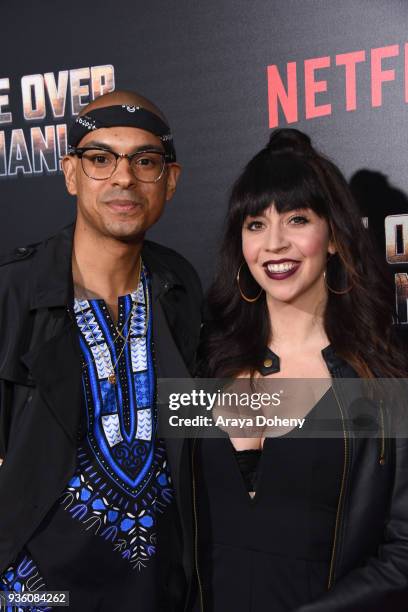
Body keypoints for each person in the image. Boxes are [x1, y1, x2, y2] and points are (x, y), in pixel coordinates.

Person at [0, 90, 202, 611]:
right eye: (100, 158)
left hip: (160, 591)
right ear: (70, 173)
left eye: (146, 161)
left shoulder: (179, 284)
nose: (123, 178)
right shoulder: (12, 292)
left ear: (170, 181)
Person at [195, 128, 408, 611]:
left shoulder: (382, 381)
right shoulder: (203, 359)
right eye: (255, 224)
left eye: (296, 219)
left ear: (333, 236)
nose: (274, 243)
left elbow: (402, 555)